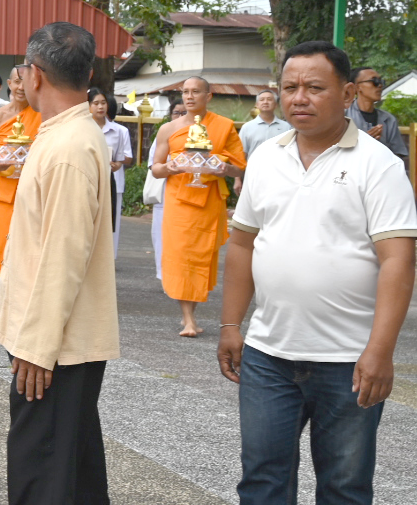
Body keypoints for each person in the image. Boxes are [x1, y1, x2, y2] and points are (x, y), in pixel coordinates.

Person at [220, 41, 417, 505]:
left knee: (343, 489)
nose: (298, 98)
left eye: (314, 87)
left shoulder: (379, 165)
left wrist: (380, 352)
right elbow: (244, 244)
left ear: (348, 93)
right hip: (268, 356)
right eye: (289, 87)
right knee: (262, 483)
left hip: (350, 363)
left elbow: (398, 260)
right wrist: (231, 325)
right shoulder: (267, 158)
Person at [0, 23, 118, 505]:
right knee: (72, 466)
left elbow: (63, 256)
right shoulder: (63, 133)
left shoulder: (69, 146)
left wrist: (37, 346)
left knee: (41, 470)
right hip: (52, 338)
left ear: (34, 74)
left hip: (53, 346)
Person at [151, 76, 247, 338]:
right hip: (179, 201)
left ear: (209, 96)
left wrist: (224, 168)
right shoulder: (168, 129)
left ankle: (192, 315)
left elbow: (240, 165)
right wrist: (168, 168)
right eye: (185, 92)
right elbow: (156, 168)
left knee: (200, 256)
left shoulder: (224, 127)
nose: (189, 97)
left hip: (208, 200)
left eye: (196, 92)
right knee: (181, 256)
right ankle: (188, 318)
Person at [0, 67, 39, 277]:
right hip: (4, 191)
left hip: (32, 192)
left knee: (30, 253)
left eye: (26, 82)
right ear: (9, 84)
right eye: (17, 81)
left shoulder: (44, 116)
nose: (21, 87)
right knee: (2, 250)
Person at [90, 89, 133, 259]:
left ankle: (109, 259)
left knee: (111, 221)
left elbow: (128, 157)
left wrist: (118, 163)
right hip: (90, 179)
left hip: (113, 181)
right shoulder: (84, 129)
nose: (100, 107)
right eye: (95, 103)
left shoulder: (119, 131)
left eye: (103, 103)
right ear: (88, 106)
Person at [150, 100, 188, 281]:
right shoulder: (164, 134)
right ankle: (162, 273)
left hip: (189, 192)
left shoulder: (196, 134)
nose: (180, 116)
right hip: (166, 190)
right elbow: (154, 165)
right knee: (162, 235)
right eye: (176, 112)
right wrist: (169, 166)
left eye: (183, 113)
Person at [349, 67, 408, 165]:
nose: (379, 85)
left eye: (381, 81)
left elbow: (398, 155)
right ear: (357, 87)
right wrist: (362, 143)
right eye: (374, 81)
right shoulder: (342, 116)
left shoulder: (389, 120)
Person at [238, 88, 288, 155]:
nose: (265, 102)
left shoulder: (286, 127)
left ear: (276, 105)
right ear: (257, 105)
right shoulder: (247, 127)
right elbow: (242, 153)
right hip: (254, 165)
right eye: (262, 100)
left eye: (269, 99)